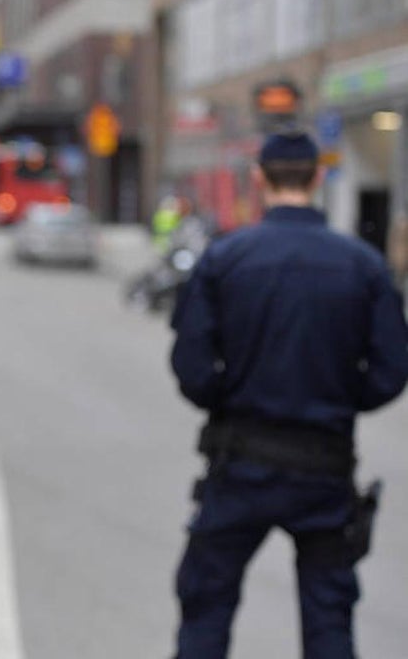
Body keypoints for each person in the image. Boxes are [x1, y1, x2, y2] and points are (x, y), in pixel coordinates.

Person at [168, 130, 408, 659]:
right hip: (324, 467)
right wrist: (343, 398)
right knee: (329, 623)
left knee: (205, 614)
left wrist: (228, 396)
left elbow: (190, 366)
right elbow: (393, 371)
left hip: (239, 466)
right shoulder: (364, 266)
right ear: (318, 178)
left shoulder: (225, 259)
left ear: (259, 178)